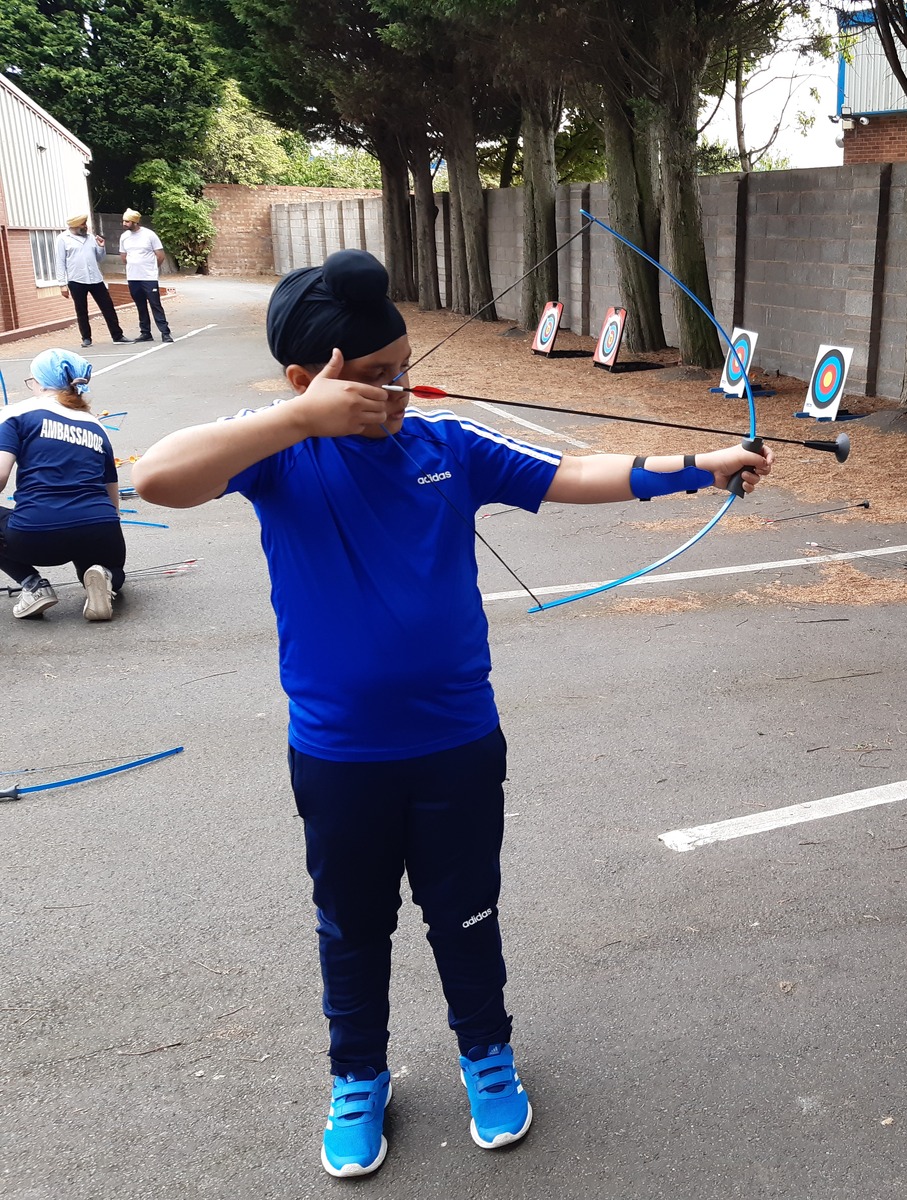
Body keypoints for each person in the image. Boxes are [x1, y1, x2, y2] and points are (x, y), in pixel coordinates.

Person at [132, 248, 772, 1179]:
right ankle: (358, 1076)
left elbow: (568, 477)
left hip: (456, 744)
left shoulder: (445, 445)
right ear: (309, 379)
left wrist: (699, 467)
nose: (400, 391)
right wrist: (298, 418)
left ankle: (487, 1052)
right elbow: (157, 479)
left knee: (465, 912)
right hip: (341, 755)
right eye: (376, 378)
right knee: (351, 925)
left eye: (403, 370)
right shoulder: (275, 453)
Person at [0, 349, 125, 621]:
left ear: (42, 383)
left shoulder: (15, 415)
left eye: (31, 380)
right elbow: (110, 486)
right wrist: (110, 525)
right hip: (100, 526)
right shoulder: (95, 425)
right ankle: (105, 577)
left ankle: (33, 585)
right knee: (107, 567)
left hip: (36, 533)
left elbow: (0, 477)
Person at [55, 215, 130, 348]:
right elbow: (60, 262)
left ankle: (117, 335)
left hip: (95, 278)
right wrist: (62, 284)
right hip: (76, 279)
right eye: (83, 225)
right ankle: (86, 338)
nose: (85, 227)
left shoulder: (91, 238)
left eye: (85, 224)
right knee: (81, 310)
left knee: (108, 307)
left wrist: (101, 247)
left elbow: (99, 258)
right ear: (75, 226)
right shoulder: (63, 239)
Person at [118, 209, 172, 343]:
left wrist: (152, 268)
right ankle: (145, 332)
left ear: (135, 222)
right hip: (133, 277)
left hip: (149, 277)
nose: (124, 223)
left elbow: (160, 255)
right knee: (140, 305)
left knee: (155, 304)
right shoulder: (124, 237)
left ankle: (165, 332)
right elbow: (123, 257)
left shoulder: (149, 235)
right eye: (124, 221)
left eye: (127, 221)